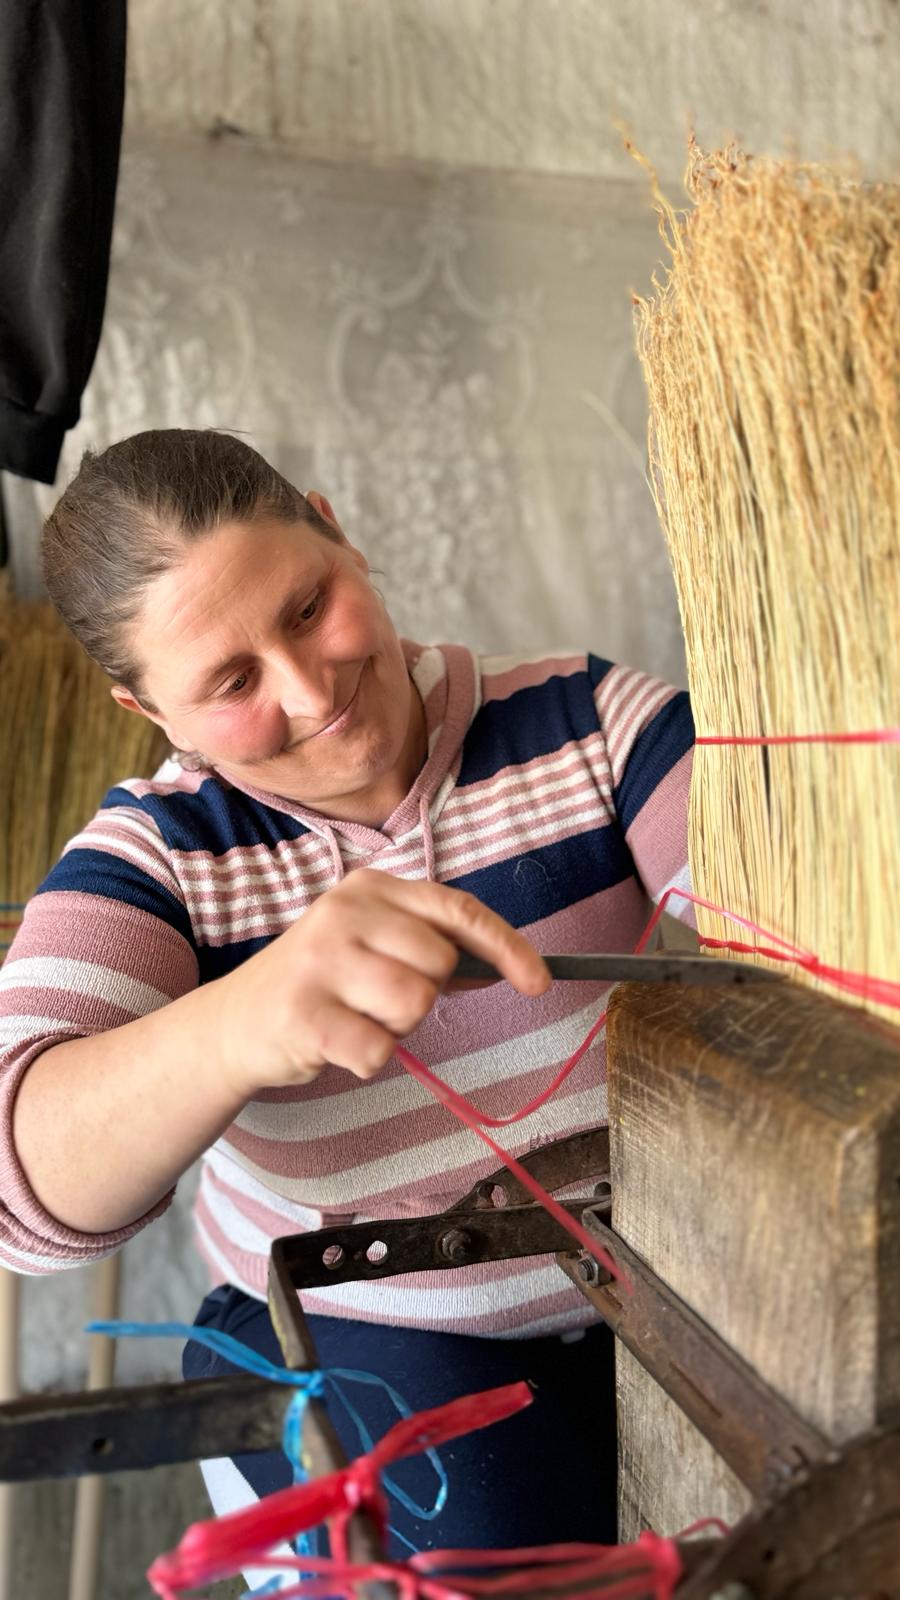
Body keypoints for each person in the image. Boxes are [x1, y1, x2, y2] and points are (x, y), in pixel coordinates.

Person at [0, 429, 693, 1569]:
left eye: (310, 606)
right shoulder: (162, 858)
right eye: (231, 683)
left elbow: (780, 896)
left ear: (336, 532)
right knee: (477, 1566)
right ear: (148, 708)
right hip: (358, 1329)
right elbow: (19, 1189)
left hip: (656, 1301)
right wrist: (240, 1021)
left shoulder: (590, 720)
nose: (311, 688)